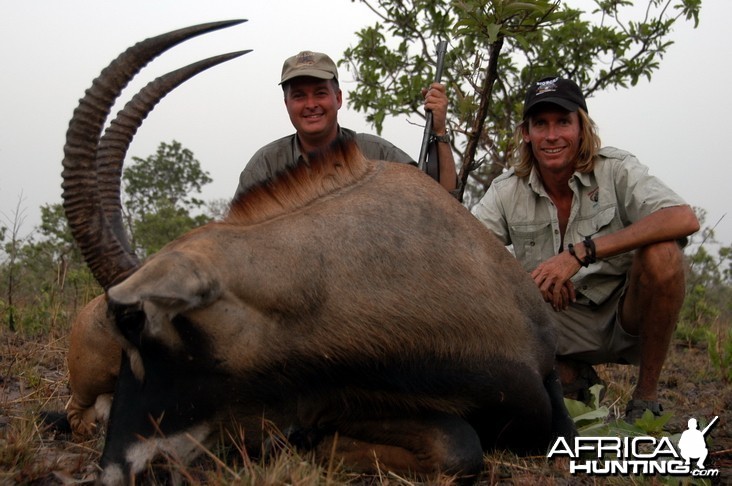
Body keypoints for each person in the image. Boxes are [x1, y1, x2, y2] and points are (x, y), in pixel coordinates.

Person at [471, 76, 700, 421]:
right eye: (540, 124)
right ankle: (573, 378)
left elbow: (683, 217)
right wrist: (535, 281)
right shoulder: (506, 190)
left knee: (664, 254)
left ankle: (645, 399)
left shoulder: (616, 169)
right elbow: (469, 252)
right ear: (526, 133)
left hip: (624, 316)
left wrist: (579, 254)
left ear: (581, 127)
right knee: (488, 335)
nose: (551, 136)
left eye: (563, 122)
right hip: (559, 322)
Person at [234, 50, 457, 197]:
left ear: (338, 98)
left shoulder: (376, 152)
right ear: (287, 104)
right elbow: (238, 237)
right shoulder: (266, 166)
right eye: (299, 96)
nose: (311, 104)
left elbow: (444, 200)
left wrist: (439, 130)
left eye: (320, 93)